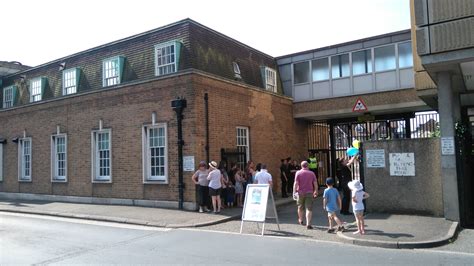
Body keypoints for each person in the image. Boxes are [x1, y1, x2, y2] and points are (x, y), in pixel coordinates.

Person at [293, 161, 318, 229]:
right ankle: (308, 223)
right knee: (308, 208)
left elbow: (296, 183)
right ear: (308, 166)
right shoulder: (312, 173)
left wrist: (294, 192)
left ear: (301, 166)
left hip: (300, 192)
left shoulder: (298, 173)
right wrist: (316, 191)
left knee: (300, 207)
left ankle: (301, 220)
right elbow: (315, 183)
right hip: (309, 192)